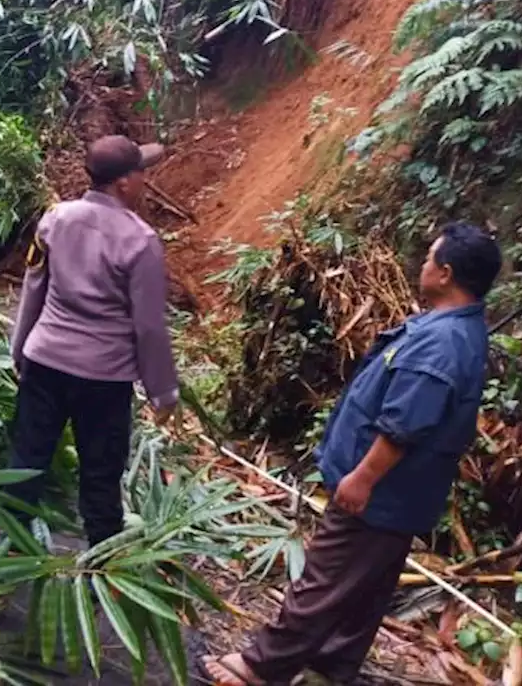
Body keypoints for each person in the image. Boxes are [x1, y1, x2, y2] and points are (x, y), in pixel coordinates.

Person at [204, 222, 502, 686]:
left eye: (428, 258)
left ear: (445, 274)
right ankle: (332, 666)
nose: (420, 264)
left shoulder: (443, 343)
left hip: (382, 491)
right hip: (400, 495)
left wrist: (362, 477)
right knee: (365, 587)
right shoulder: (451, 329)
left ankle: (262, 667)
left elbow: (406, 423)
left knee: (324, 579)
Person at [6, 134, 180, 548]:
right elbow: (150, 326)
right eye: (141, 174)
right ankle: (103, 569)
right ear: (123, 183)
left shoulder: (55, 219)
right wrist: (163, 391)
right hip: (103, 380)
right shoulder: (141, 242)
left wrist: (19, 349)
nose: (144, 182)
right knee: (100, 476)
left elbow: (35, 287)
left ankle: (3, 551)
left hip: (44, 363)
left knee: (26, 462)